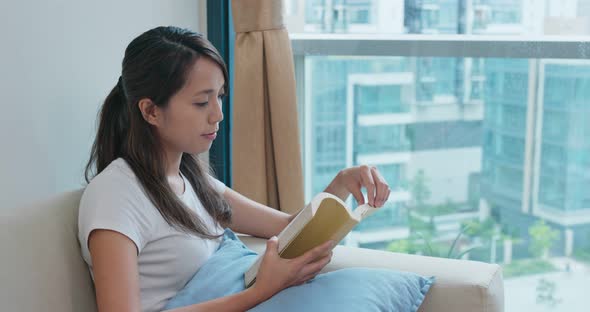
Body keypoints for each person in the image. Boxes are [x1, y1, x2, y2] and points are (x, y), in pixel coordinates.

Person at [78, 26, 391, 312]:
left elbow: (287, 227)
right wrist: (261, 291)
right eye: (202, 103)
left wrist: (340, 185)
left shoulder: (191, 180)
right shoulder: (116, 195)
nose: (218, 115)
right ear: (150, 111)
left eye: (220, 97)